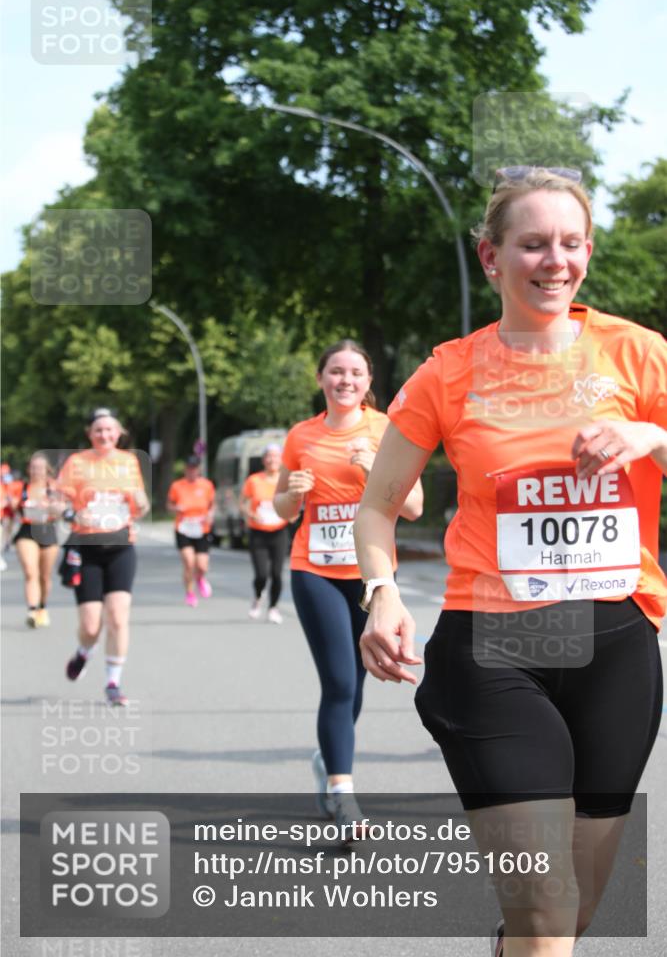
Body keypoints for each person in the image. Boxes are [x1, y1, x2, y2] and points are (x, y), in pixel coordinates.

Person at [353, 167, 667, 955]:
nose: (553, 261)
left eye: (568, 244)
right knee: (543, 912)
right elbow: (377, 506)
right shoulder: (446, 374)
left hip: (615, 646)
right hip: (493, 650)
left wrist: (648, 437)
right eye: (531, 244)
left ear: (587, 253)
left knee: (579, 910)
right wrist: (381, 591)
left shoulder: (637, 356)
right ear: (491, 259)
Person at [273, 339, 423, 839]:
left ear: (368, 382)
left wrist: (370, 469)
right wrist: (291, 496)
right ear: (321, 379)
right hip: (313, 568)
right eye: (335, 372)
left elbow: (415, 507)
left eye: (355, 373)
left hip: (373, 575)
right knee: (338, 681)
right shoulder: (300, 435)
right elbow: (280, 509)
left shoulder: (385, 429)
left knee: (355, 684)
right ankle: (343, 793)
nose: (345, 381)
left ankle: (328, 758)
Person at [56, 407, 150, 706]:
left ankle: (113, 683)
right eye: (98, 430)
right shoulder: (77, 463)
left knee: (119, 618)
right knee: (91, 626)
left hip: (121, 546)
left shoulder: (129, 462)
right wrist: (72, 512)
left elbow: (141, 506)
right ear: (90, 434)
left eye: (110, 429)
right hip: (87, 548)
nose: (104, 434)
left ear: (119, 433)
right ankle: (84, 652)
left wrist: (141, 503)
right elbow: (56, 504)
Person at [240, 443, 290, 623]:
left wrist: (291, 515)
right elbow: (243, 504)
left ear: (281, 460)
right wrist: (252, 514)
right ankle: (257, 597)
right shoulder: (254, 480)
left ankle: (273, 607)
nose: (272, 459)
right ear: (263, 460)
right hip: (258, 532)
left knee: (277, 573)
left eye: (276, 456)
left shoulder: (285, 480)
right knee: (261, 574)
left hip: (279, 531)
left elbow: (294, 503)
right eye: (269, 456)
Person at [12, 452, 61, 627]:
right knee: (30, 571)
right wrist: (11, 503)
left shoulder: (54, 488)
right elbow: (10, 506)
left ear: (47, 470)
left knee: (44, 576)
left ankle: (42, 607)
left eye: (40, 468)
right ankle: (31, 610)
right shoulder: (20, 487)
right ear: (28, 469)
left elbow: (63, 510)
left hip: (47, 530)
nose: (36, 471)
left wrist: (52, 506)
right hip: (27, 531)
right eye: (33, 467)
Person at [166, 455, 216, 607]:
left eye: (194, 468)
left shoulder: (207, 485)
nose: (191, 471)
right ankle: (190, 593)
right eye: (189, 468)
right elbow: (169, 505)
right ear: (186, 469)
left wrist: (210, 515)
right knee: (189, 562)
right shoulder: (177, 486)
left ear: (199, 469)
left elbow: (212, 505)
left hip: (201, 528)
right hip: (184, 527)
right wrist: (176, 508)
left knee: (202, 565)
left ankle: (200, 577)